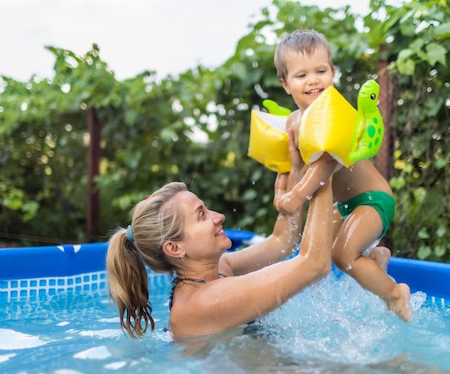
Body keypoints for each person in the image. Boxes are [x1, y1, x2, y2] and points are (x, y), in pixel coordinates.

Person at [106, 141, 334, 339]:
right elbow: (314, 265)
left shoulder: (217, 270)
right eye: (201, 215)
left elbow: (282, 241)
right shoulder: (201, 304)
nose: (219, 217)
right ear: (174, 248)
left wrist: (295, 168)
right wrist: (325, 167)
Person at [272, 29, 412, 321]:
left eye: (320, 71)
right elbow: (290, 165)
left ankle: (395, 293)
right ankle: (377, 258)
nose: (313, 80)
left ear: (333, 73)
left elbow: (324, 166)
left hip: (372, 200)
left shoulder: (334, 115)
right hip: (345, 205)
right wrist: (280, 192)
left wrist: (296, 197)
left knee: (343, 255)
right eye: (301, 76)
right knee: (316, 253)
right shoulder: (294, 121)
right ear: (285, 84)